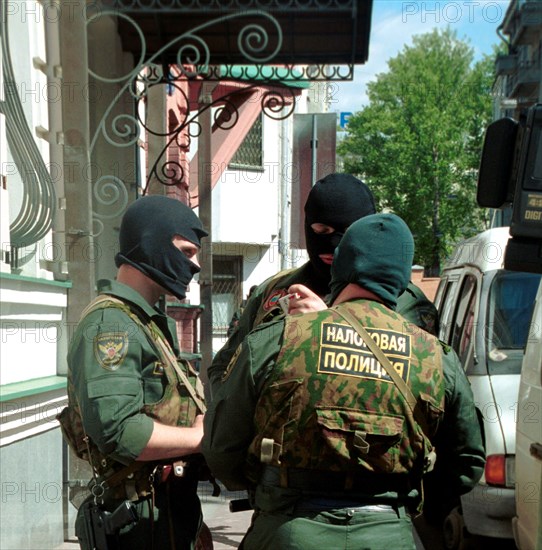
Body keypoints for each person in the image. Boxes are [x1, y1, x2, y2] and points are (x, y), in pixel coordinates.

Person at [202, 213, 485, 550]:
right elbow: (466, 464)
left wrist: (267, 488)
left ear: (342, 266)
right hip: (389, 533)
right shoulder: (435, 357)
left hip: (288, 528)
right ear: (401, 278)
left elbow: (221, 448)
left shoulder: (278, 338)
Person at [59, 195, 209, 550]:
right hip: (140, 524)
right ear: (152, 243)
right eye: (187, 252)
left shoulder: (146, 323)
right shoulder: (111, 325)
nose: (196, 265)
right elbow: (120, 432)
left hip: (166, 512)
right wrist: (203, 438)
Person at [207, 173, 439, 397]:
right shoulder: (274, 290)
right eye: (321, 231)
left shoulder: (406, 301)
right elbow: (223, 370)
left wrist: (331, 326)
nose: (332, 244)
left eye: (347, 234)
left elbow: (419, 387)